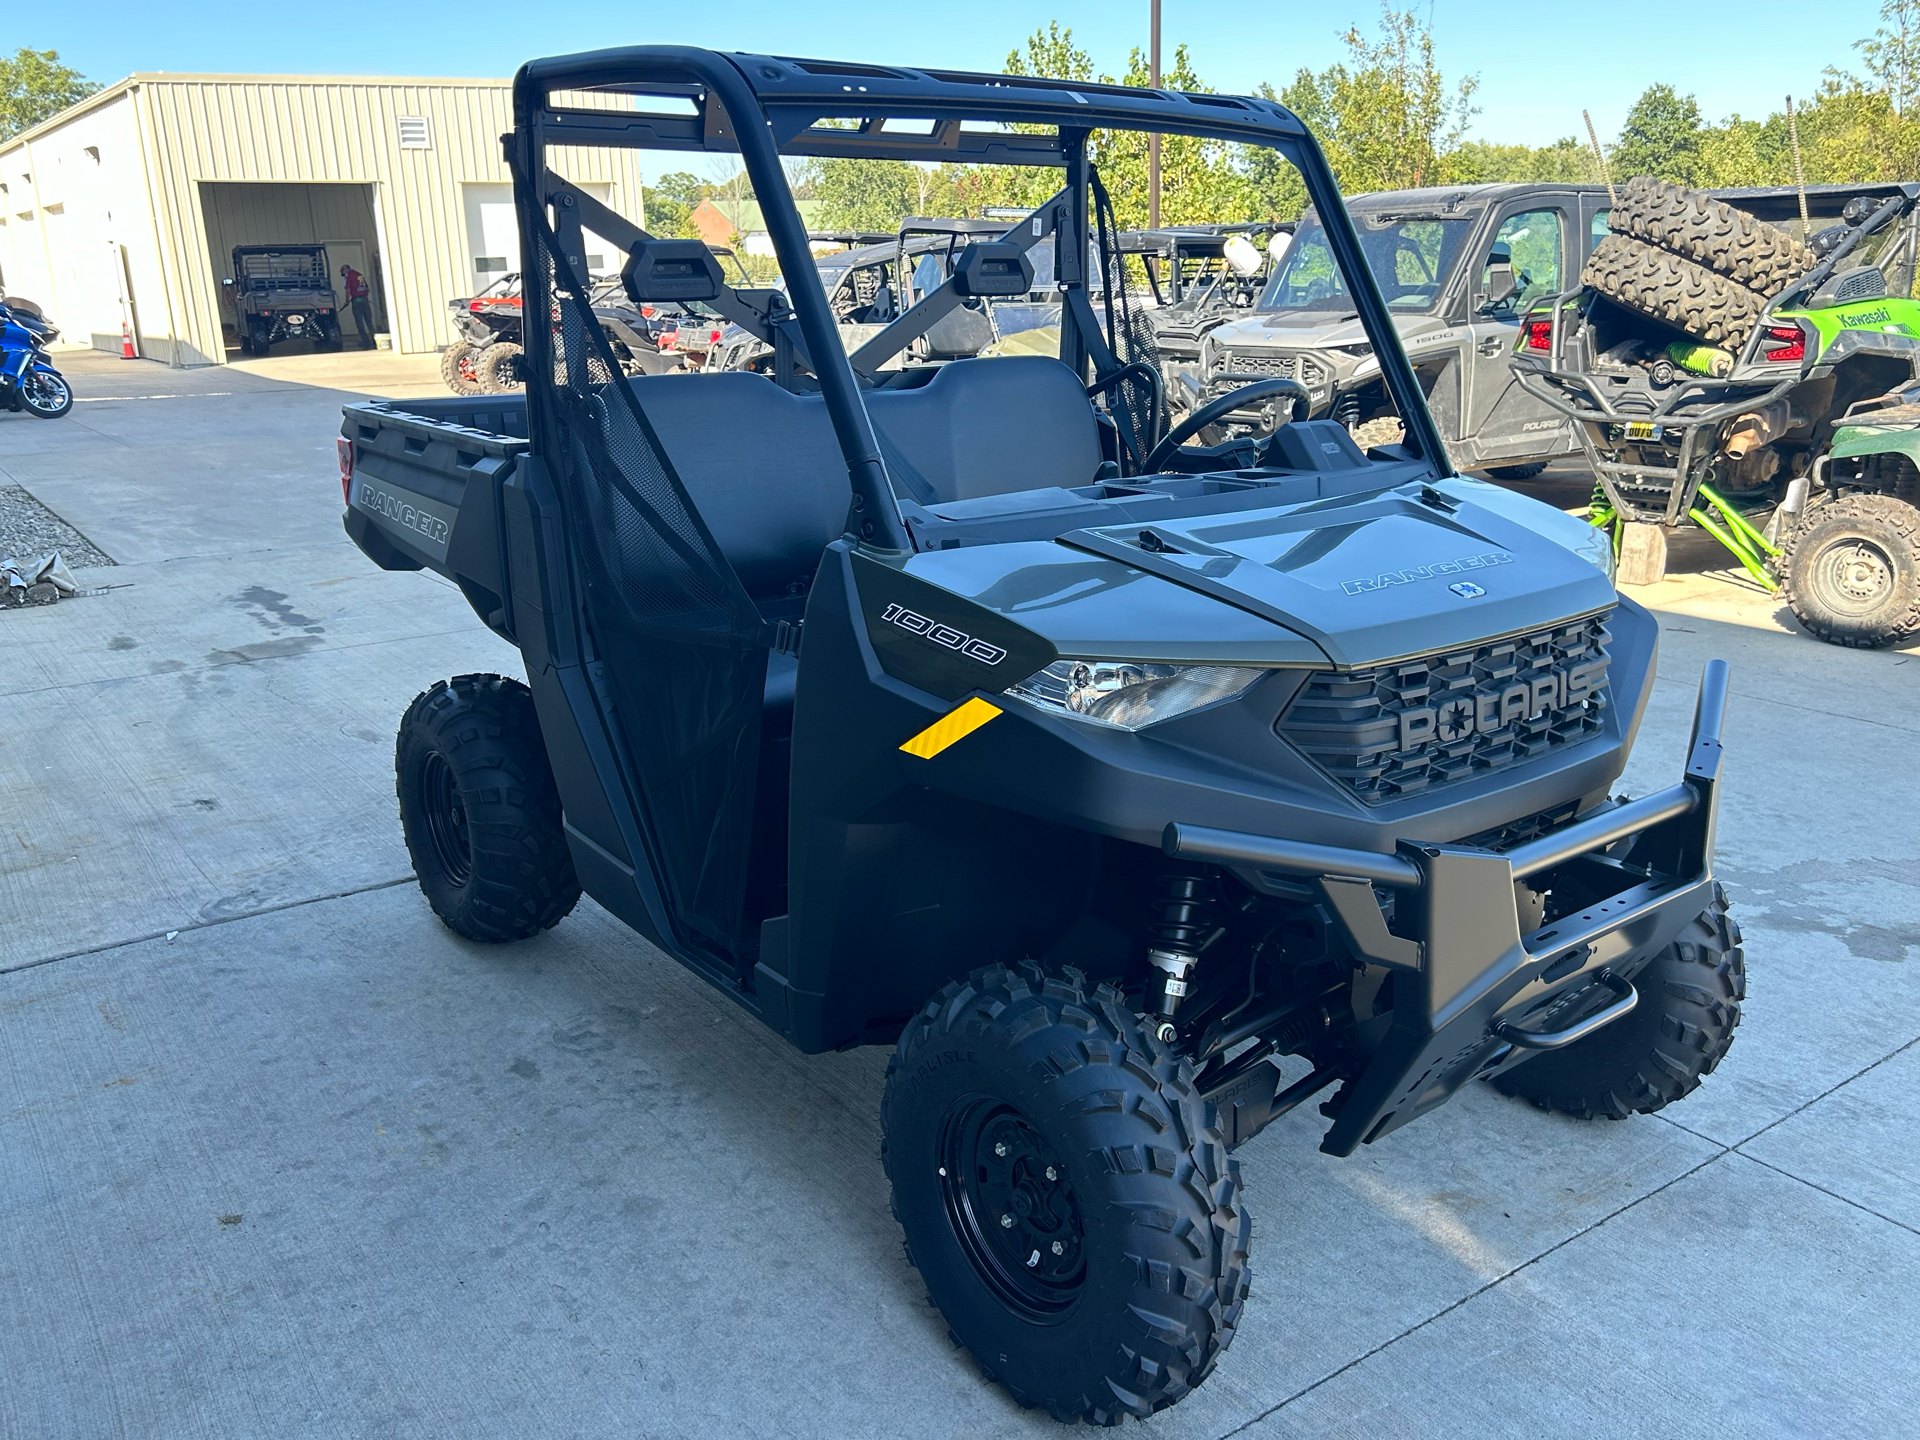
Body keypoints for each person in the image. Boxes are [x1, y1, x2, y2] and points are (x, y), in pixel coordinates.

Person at [340, 264, 374, 348]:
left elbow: (348, 289)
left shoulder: (348, 276)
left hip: (356, 301)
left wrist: (347, 300)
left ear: (345, 270)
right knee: (369, 321)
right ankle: (374, 340)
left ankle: (366, 341)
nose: (344, 275)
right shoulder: (359, 274)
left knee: (359, 322)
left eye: (343, 273)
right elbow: (367, 288)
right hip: (365, 299)